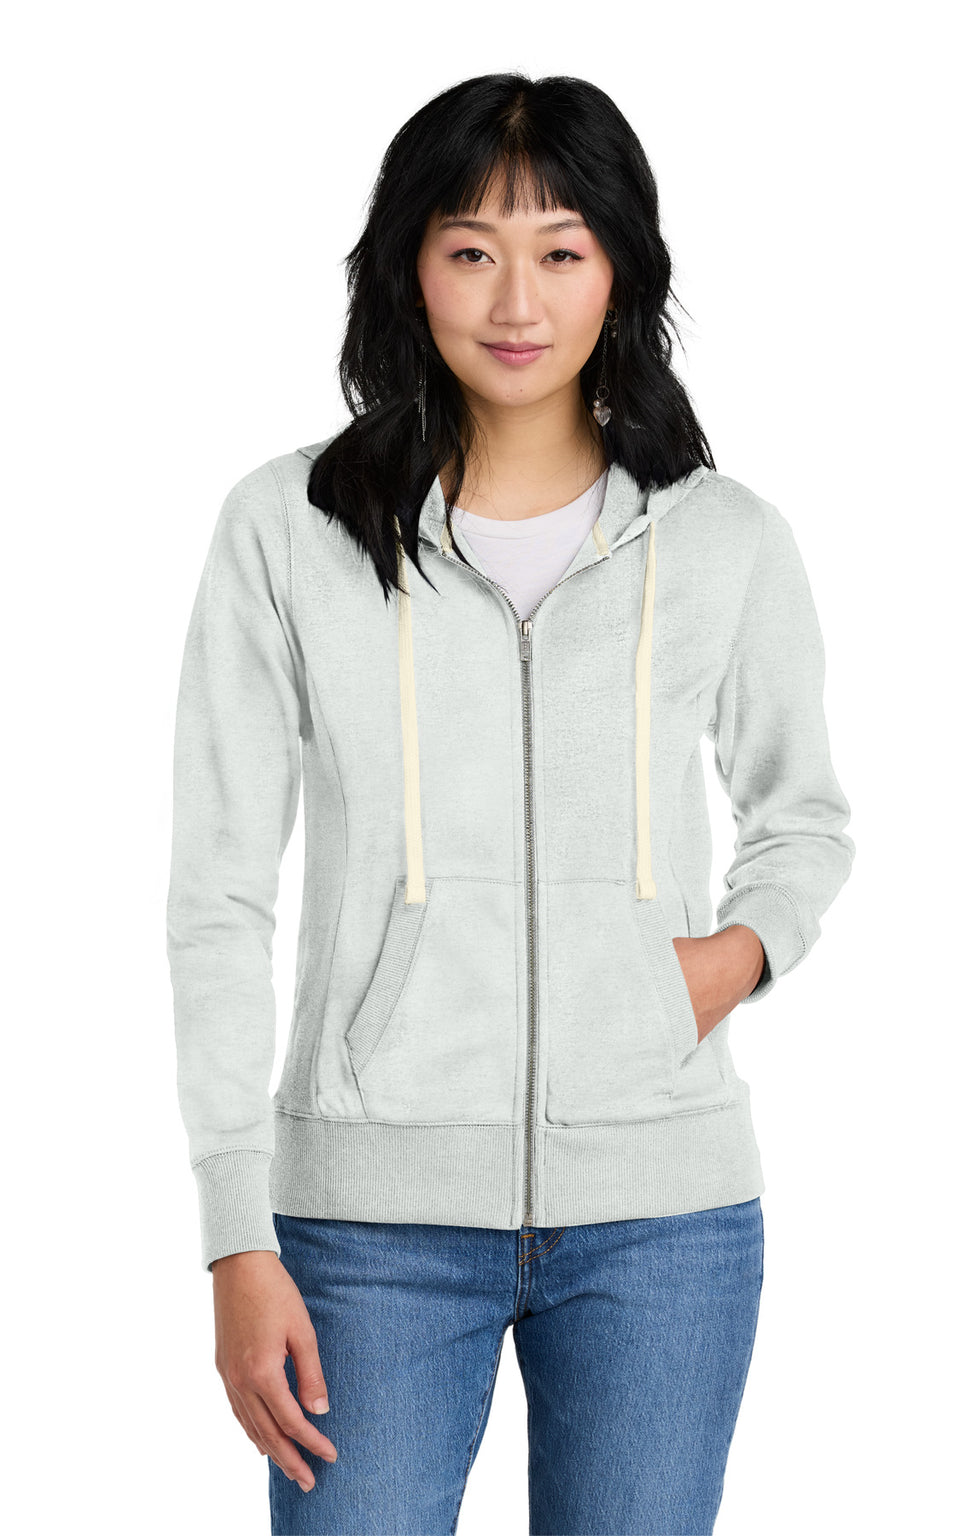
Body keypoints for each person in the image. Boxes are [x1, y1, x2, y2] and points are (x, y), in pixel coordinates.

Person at [166, 71, 856, 1536]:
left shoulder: (725, 542)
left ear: (621, 270)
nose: (517, 299)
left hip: (664, 1222)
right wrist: (235, 1232)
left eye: (561, 249)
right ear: (408, 267)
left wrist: (721, 965)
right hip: (366, 1230)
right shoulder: (289, 530)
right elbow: (218, 891)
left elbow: (803, 821)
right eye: (472, 248)